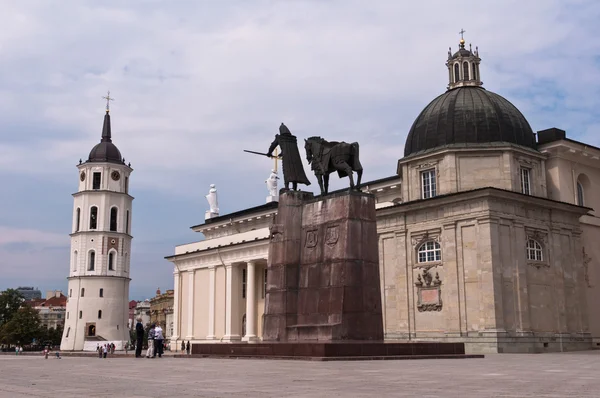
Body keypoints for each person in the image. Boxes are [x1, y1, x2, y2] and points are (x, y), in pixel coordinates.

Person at [266, 123, 311, 191]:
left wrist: (269, 153)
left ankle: (286, 186)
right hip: (296, 158)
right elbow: (289, 148)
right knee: (295, 171)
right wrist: (281, 153)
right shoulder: (293, 139)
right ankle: (295, 188)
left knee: (287, 170)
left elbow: (273, 145)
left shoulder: (280, 138)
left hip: (287, 158)